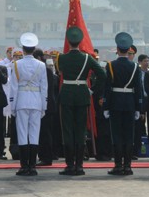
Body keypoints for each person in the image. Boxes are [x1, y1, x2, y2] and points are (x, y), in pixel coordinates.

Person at [57, 27, 106, 176]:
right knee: (80, 130)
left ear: (68, 42)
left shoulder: (61, 58)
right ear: (80, 42)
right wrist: (92, 90)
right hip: (82, 95)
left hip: (66, 94)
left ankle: (70, 165)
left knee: (67, 130)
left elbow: (60, 72)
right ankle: (79, 165)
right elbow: (102, 75)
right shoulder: (87, 58)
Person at [104, 32, 142, 176]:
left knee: (117, 135)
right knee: (129, 135)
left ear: (117, 49)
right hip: (130, 103)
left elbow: (107, 88)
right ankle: (128, 166)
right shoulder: (134, 66)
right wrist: (138, 107)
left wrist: (105, 106)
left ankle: (118, 165)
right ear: (128, 50)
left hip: (115, 103)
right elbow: (138, 88)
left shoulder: (111, 65)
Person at [9, 33, 47, 176]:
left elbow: (14, 87)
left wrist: (12, 106)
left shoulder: (17, 65)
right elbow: (44, 88)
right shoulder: (41, 65)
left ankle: (24, 166)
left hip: (22, 101)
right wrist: (44, 106)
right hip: (36, 101)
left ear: (23, 49)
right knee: (34, 133)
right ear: (34, 48)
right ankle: (32, 165)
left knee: (23, 134)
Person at [34, 49, 57, 166]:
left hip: (45, 105)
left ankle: (46, 157)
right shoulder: (45, 69)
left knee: (44, 133)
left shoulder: (44, 70)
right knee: (44, 132)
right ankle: (45, 155)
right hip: (47, 104)